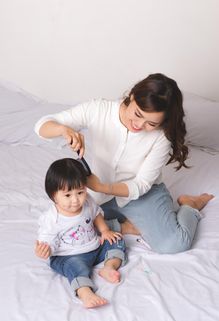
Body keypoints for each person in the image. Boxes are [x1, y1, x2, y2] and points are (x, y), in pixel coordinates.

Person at [34, 73, 214, 254]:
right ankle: (127, 226)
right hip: (99, 193)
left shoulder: (161, 137)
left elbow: (141, 184)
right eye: (137, 114)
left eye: (151, 123)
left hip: (140, 194)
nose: (139, 125)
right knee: (76, 234)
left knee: (175, 244)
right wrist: (64, 130)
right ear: (132, 96)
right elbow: (42, 126)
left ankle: (190, 205)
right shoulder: (99, 110)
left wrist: (102, 187)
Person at [35, 158, 126, 308]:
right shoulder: (51, 219)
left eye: (80, 192)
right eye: (68, 195)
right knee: (76, 268)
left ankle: (109, 267)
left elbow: (96, 215)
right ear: (53, 196)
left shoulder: (88, 201)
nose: (76, 200)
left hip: (94, 247)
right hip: (68, 255)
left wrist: (104, 231)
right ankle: (86, 293)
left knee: (116, 239)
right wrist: (44, 250)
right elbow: (46, 242)